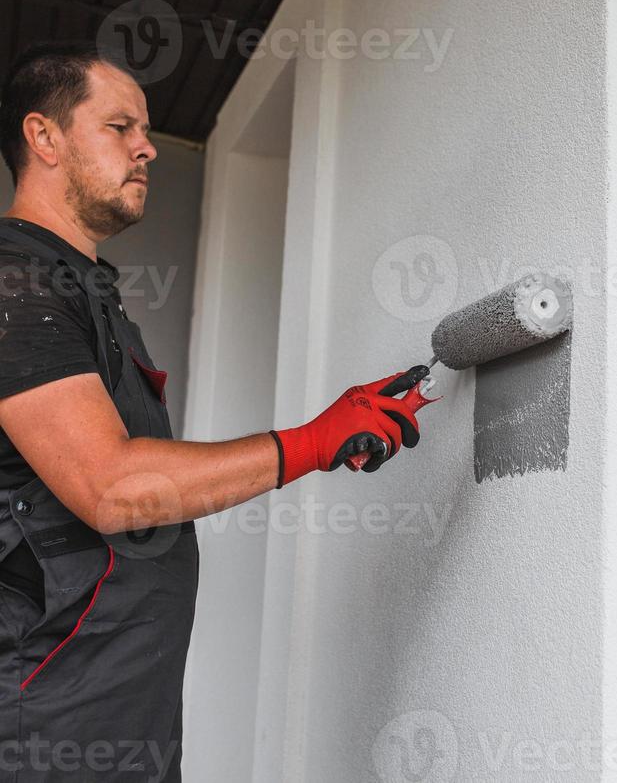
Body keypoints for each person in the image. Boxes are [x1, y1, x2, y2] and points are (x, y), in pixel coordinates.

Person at [0, 41, 425, 782]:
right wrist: (311, 442)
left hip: (126, 717)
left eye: (147, 129)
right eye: (120, 127)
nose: (146, 150)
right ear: (45, 137)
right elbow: (111, 486)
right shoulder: (18, 282)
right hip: (45, 721)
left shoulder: (87, 290)